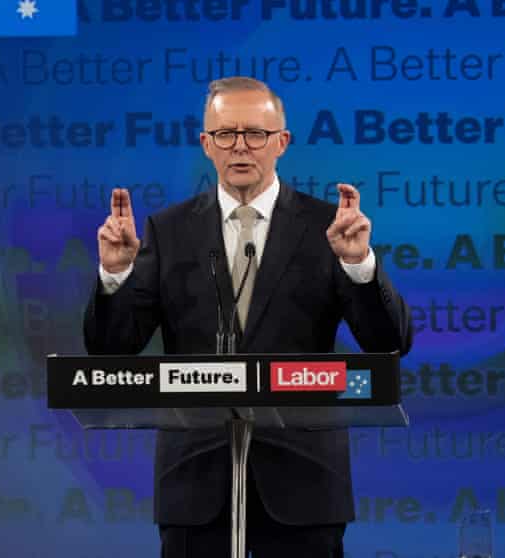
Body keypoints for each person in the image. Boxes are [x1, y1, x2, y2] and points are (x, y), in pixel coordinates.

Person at [84, 77, 412, 557]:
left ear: (281, 141)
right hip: (196, 484)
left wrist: (357, 266)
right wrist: (115, 276)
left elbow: (389, 343)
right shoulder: (168, 231)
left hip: (304, 482)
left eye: (255, 134)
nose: (240, 146)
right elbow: (112, 352)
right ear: (205, 145)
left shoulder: (331, 229)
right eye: (225, 134)